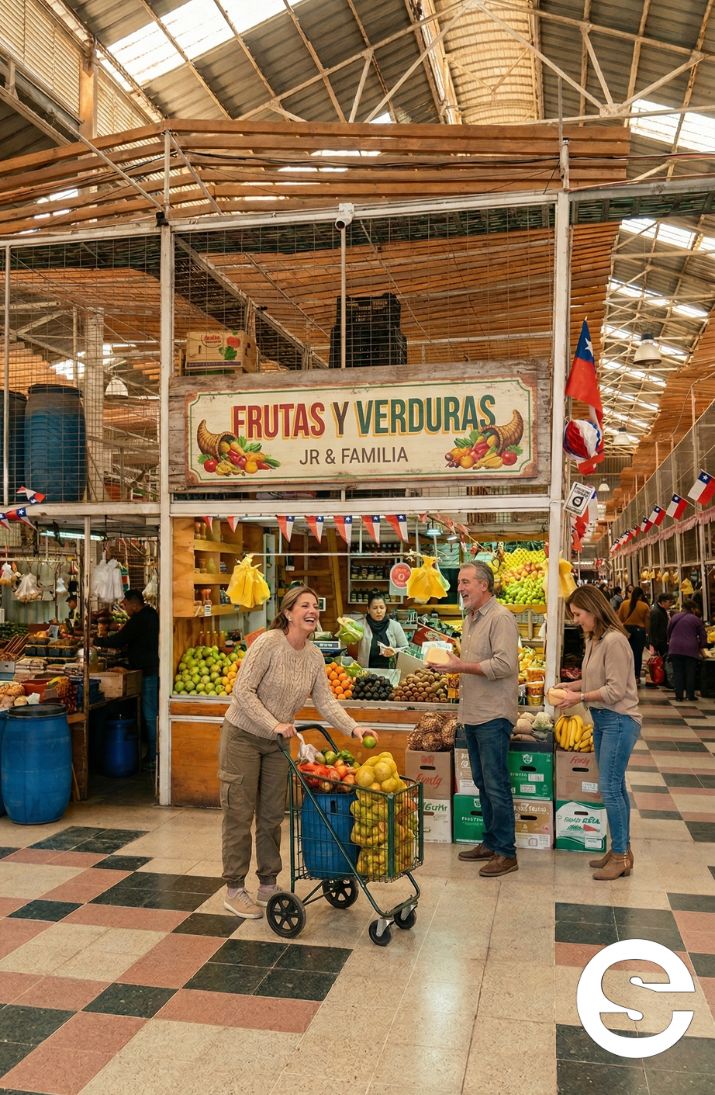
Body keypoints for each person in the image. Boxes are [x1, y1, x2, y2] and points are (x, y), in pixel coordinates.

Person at [219, 585, 375, 919]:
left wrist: (354, 728)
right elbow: (242, 690)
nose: (312, 610)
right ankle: (233, 889)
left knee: (273, 814)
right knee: (239, 813)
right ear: (288, 612)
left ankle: (267, 884)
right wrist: (273, 722)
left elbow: (326, 701)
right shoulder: (268, 643)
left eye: (315, 605)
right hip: (243, 737)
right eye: (304, 605)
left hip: (277, 743)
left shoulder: (315, 656)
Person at [435, 561, 519, 877]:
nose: (460, 587)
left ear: (484, 585)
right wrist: (453, 669)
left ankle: (507, 852)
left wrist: (462, 668)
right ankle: (491, 841)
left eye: (466, 581)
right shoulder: (470, 619)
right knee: (482, 782)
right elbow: (473, 664)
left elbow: (504, 665)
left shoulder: (501, 618)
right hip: (472, 712)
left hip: (493, 714)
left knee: (496, 783)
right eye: (459, 582)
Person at [554, 585, 640, 881]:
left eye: (578, 614)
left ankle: (620, 856)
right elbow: (595, 678)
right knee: (616, 787)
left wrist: (578, 698)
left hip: (619, 720)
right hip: (604, 720)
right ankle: (622, 850)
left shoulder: (615, 641)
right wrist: (573, 686)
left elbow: (615, 691)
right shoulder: (594, 638)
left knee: (609, 787)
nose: (576, 620)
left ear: (593, 610)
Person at [94, 589, 159, 766]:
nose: (124, 607)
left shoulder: (139, 619)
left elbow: (120, 639)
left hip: (148, 671)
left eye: (125, 604)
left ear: (133, 602)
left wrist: (97, 641)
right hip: (149, 668)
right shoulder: (151, 614)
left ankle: (154, 758)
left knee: (150, 716)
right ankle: (154, 755)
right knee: (151, 714)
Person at [667, 599, 707, 702]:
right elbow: (703, 635)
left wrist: (670, 641)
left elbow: (668, 631)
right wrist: (702, 647)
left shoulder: (675, 617)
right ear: (693, 608)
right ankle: (690, 695)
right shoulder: (696, 619)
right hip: (690, 649)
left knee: (678, 672)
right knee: (690, 672)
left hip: (675, 648)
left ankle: (679, 696)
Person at [356, 591, 409, 669]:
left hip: (390, 671)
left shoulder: (395, 625)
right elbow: (347, 642)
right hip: (365, 671)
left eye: (381, 607)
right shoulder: (360, 625)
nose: (379, 611)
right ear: (368, 609)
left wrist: (394, 651)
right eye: (375, 608)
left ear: (385, 608)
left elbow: (406, 648)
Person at [619, 586, 649, 684]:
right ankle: (636, 676)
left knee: (625, 653)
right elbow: (647, 622)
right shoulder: (644, 606)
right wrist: (647, 633)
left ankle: (626, 675)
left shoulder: (624, 604)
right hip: (639, 631)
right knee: (637, 654)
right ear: (640, 595)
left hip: (626, 630)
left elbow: (620, 619)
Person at [648, 592, 674, 658]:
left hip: (662, 641)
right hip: (659, 642)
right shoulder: (656, 612)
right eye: (669, 602)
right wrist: (655, 645)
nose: (671, 605)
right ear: (663, 602)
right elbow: (653, 629)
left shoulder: (661, 610)